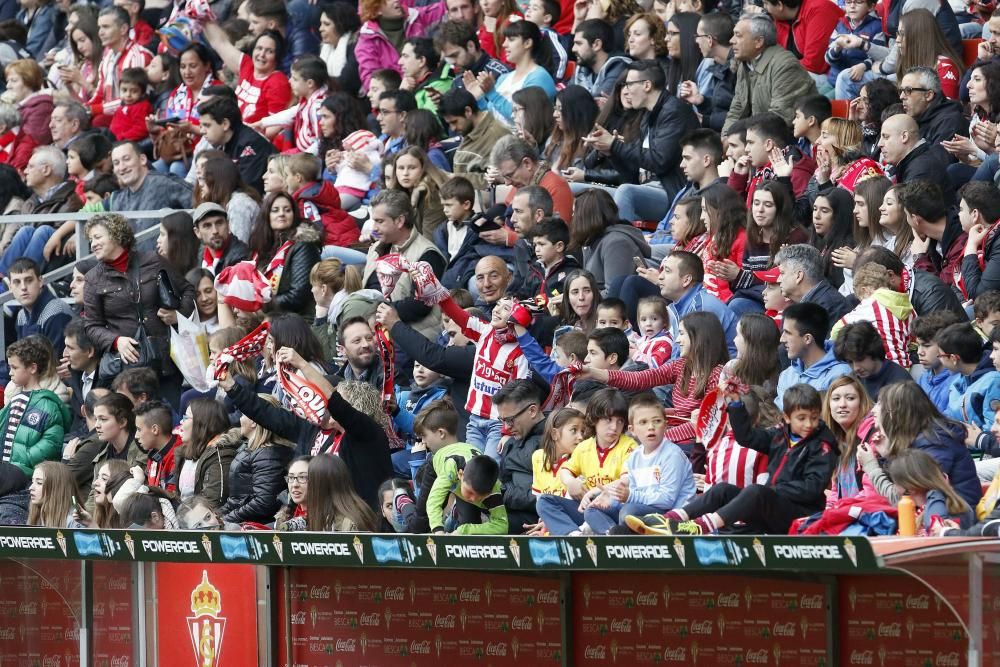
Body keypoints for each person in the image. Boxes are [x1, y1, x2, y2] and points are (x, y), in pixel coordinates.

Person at [630, 383, 838, 535]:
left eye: (814, 417)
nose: (809, 424)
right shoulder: (778, 435)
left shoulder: (822, 445)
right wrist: (736, 406)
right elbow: (747, 437)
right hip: (773, 505)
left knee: (756, 491)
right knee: (722, 489)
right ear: (786, 418)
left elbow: (812, 487)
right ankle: (670, 521)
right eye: (801, 418)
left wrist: (772, 491)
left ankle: (704, 526)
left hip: (800, 514)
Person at [581, 312, 728, 469]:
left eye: (682, 334)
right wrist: (592, 372)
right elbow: (640, 379)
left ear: (699, 337)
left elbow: (703, 423)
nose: (677, 340)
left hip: (692, 446)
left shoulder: (718, 375)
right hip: (669, 436)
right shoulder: (681, 365)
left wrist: (657, 438)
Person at [82, 214, 194, 403]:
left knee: (168, 417)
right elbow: (91, 326)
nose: (93, 244)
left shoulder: (153, 260)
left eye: (98, 237)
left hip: (165, 360)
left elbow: (188, 290)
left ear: (116, 234)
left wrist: (178, 315)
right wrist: (116, 341)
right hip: (127, 368)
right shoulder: (93, 278)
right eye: (91, 240)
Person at [585, 60, 699, 221]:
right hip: (644, 188)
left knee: (626, 192)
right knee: (579, 190)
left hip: (671, 192)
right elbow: (631, 175)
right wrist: (611, 151)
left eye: (629, 84)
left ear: (647, 85)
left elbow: (659, 161)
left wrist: (615, 145)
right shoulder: (647, 116)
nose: (626, 91)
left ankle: (623, 243)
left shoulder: (674, 112)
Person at [583, 393, 696, 534]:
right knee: (593, 510)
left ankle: (622, 535)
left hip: (671, 515)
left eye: (657, 421)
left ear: (666, 425)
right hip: (643, 510)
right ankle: (613, 535)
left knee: (628, 512)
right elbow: (635, 493)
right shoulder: (635, 457)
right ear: (632, 430)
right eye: (643, 422)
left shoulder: (672, 455)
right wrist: (614, 498)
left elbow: (666, 500)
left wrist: (629, 496)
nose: (651, 427)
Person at [535, 388, 636, 535]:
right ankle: (574, 536)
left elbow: (626, 480)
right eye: (608, 420)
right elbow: (565, 471)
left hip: (613, 507)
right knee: (545, 501)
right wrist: (570, 482)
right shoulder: (584, 447)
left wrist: (594, 492)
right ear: (594, 418)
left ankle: (611, 536)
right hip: (586, 507)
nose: (614, 427)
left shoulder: (629, 445)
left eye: (620, 421)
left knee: (593, 510)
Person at [867, 382, 982, 508]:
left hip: (954, 520)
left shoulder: (935, 443)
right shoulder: (920, 438)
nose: (873, 410)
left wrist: (871, 467)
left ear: (895, 413)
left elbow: (906, 498)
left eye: (879, 404)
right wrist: (888, 455)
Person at [361, 189, 446, 338]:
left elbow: (420, 305)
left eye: (380, 221)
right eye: (373, 220)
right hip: (376, 332)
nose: (374, 228)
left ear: (400, 221)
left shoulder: (427, 254)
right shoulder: (376, 248)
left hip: (412, 339)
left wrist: (375, 312)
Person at [0, 337, 72, 503]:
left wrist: (18, 464)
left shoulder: (48, 405)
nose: (9, 372)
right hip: (6, 475)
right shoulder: (14, 399)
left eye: (14, 367)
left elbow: (50, 445)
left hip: (25, 479)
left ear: (32, 368)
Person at [723, 14, 818, 131]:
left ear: (758, 42)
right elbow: (737, 108)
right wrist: (727, 137)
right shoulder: (745, 63)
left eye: (738, 35)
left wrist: (745, 140)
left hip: (791, 139)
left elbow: (779, 117)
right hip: (762, 135)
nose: (731, 40)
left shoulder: (785, 65)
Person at [242, 192, 322, 317]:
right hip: (269, 317)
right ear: (266, 215)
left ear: (294, 215)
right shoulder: (261, 247)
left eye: (287, 210)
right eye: (275, 210)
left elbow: (298, 296)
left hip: (297, 320)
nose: (281, 214)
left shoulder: (303, 245)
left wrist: (261, 307)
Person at [219, 394, 295, 525]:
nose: (240, 419)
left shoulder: (269, 455)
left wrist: (227, 520)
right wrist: (218, 515)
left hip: (253, 527)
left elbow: (264, 502)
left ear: (254, 420)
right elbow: (237, 499)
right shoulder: (252, 448)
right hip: (241, 521)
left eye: (243, 415)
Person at [148, 43, 221, 177]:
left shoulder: (218, 92)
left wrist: (192, 128)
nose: (187, 72)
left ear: (207, 65)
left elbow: (222, 131)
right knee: (153, 169)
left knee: (177, 168)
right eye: (183, 67)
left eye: (192, 66)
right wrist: (155, 131)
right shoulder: (177, 93)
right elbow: (168, 132)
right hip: (177, 152)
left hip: (207, 154)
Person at [99, 142, 193, 240]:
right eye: (116, 163)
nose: (122, 167)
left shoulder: (164, 183)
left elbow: (200, 207)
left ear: (142, 159)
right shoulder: (117, 201)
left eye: (126, 159)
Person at [831, 262, 915, 368]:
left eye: (860, 298)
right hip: (906, 367)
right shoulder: (909, 307)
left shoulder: (869, 304)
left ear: (865, 290)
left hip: (882, 369)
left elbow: (835, 332)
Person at [202, 26, 291, 124]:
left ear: (277, 56)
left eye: (269, 51)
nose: (262, 54)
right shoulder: (248, 66)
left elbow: (277, 125)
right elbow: (220, 43)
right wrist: (204, 20)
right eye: (259, 48)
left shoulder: (278, 82)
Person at [355, 0, 447, 91]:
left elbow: (441, 9)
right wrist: (399, 90)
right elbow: (371, 82)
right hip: (394, 98)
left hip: (429, 84)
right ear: (377, 8)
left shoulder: (415, 17)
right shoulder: (367, 40)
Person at [775, 302, 851, 410]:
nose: (782, 339)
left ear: (807, 339)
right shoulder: (787, 375)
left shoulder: (840, 375)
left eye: (788, 333)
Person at [571, 189, 651, 291]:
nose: (572, 217)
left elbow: (614, 295)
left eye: (575, 213)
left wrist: (574, 298)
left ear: (587, 216)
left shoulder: (617, 244)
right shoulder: (592, 241)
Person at [493, 379, 546, 532]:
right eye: (502, 421)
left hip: (535, 518)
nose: (506, 427)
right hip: (508, 511)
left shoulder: (555, 440)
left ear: (532, 411)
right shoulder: (510, 443)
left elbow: (552, 495)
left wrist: (504, 494)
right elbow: (503, 482)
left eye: (510, 420)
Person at [88, 6, 152, 123]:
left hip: (132, 119)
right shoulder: (107, 57)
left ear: (123, 29)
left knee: (98, 121)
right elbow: (100, 94)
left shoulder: (137, 56)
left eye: (106, 27)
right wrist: (85, 108)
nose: (100, 32)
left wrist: (94, 109)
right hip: (112, 116)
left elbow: (132, 99)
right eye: (99, 27)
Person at [283, 454, 380, 532]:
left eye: (305, 478)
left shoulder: (349, 523)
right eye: (291, 478)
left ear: (324, 485)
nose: (295, 484)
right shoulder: (317, 515)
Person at [439, 88, 512, 189]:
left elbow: (503, 179)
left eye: (454, 122)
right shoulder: (470, 130)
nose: (453, 128)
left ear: (468, 111)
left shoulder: (497, 135)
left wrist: (457, 179)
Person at [4, 259, 73, 363]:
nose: (23, 287)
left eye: (29, 280)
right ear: (10, 287)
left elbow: (56, 364)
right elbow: (21, 357)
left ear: (40, 281)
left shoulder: (56, 312)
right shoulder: (21, 315)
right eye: (17, 282)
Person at [889, 448, 976, 530]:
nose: (894, 488)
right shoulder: (924, 507)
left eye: (895, 483)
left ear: (909, 487)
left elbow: (939, 537)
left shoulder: (948, 508)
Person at [877, 115, 954, 204]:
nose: (880, 144)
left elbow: (910, 214)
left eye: (886, 137)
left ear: (904, 137)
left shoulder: (922, 170)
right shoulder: (916, 163)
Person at [176, 398, 238, 504]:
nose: (181, 422)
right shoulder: (184, 452)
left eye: (186, 417)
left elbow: (213, 504)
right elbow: (179, 498)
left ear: (202, 424)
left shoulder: (220, 455)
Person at [680, 12, 735, 132]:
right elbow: (724, 106)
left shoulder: (738, 68)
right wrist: (701, 101)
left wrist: (706, 120)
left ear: (710, 40)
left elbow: (741, 114)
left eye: (698, 36)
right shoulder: (720, 65)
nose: (696, 41)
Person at [834, 320, 915, 400]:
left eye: (860, 359)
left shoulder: (900, 385)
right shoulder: (853, 380)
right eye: (850, 362)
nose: (855, 368)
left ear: (873, 350)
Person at [775, 243, 851, 327]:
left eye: (782, 273)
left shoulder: (830, 308)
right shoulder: (819, 303)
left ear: (799, 276)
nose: (778, 280)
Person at [529, 407, 587, 507]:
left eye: (582, 431)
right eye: (574, 430)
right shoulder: (538, 457)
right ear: (554, 434)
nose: (580, 437)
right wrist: (543, 519)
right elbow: (539, 497)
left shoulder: (581, 460)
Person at [899, 66, 966, 147]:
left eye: (908, 91)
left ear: (928, 95)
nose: (901, 97)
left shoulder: (949, 122)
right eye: (901, 91)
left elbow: (938, 158)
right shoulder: (912, 118)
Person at [437, 19, 508, 91]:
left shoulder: (499, 73)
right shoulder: (457, 82)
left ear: (470, 46)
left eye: (455, 55)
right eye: (449, 58)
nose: (452, 62)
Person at [912, 311, 963, 412]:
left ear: (946, 345)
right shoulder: (922, 379)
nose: (919, 352)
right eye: (918, 345)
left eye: (926, 346)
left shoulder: (959, 383)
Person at [570, 19, 632, 100]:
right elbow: (565, 98)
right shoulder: (582, 67)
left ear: (597, 45)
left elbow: (599, 104)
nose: (573, 49)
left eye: (579, 43)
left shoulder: (618, 66)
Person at [958, 181, 1000, 299]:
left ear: (975, 214)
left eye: (961, 210)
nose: (958, 214)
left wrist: (971, 247)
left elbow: (979, 296)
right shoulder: (983, 237)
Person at [192, 202, 250, 276]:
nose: (215, 231)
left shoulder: (241, 258)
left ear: (228, 225)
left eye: (219, 223)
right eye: (207, 226)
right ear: (197, 232)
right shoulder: (200, 253)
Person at [133, 400, 179, 493]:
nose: (136, 436)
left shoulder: (179, 456)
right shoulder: (155, 454)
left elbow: (173, 500)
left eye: (139, 429)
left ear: (155, 429)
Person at [27, 462, 87, 528]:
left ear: (57, 488)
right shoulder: (37, 515)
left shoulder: (75, 521)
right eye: (32, 482)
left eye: (39, 483)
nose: (31, 488)